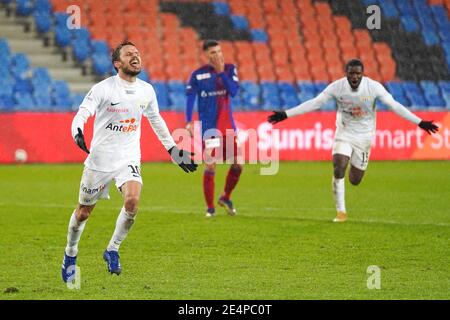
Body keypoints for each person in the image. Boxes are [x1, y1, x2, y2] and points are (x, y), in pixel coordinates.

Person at [61, 41, 197, 283]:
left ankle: (112, 249)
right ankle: (70, 253)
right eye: (129, 54)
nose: (136, 57)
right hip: (100, 159)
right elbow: (83, 112)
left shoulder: (147, 90)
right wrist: (77, 131)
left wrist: (173, 151)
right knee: (83, 213)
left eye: (137, 53)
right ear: (117, 63)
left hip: (128, 157)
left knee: (133, 201)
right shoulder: (103, 89)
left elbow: (157, 120)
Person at [268, 59, 438, 223]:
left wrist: (420, 122)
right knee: (339, 166)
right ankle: (341, 211)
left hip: (364, 138)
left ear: (363, 74)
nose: (354, 77)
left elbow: (394, 106)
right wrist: (286, 114)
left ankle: (353, 166)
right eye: (351, 74)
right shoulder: (337, 87)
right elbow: (315, 103)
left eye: (357, 74)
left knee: (355, 180)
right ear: (346, 74)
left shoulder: (373, 87)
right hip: (344, 133)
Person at [185, 39, 242, 218]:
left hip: (228, 127)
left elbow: (233, 91)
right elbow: (190, 98)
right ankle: (210, 208)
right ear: (206, 55)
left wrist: (221, 73)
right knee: (210, 165)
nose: (217, 55)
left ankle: (225, 197)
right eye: (213, 53)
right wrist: (188, 120)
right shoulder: (198, 75)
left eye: (218, 51)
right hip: (209, 128)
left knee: (238, 164)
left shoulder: (230, 69)